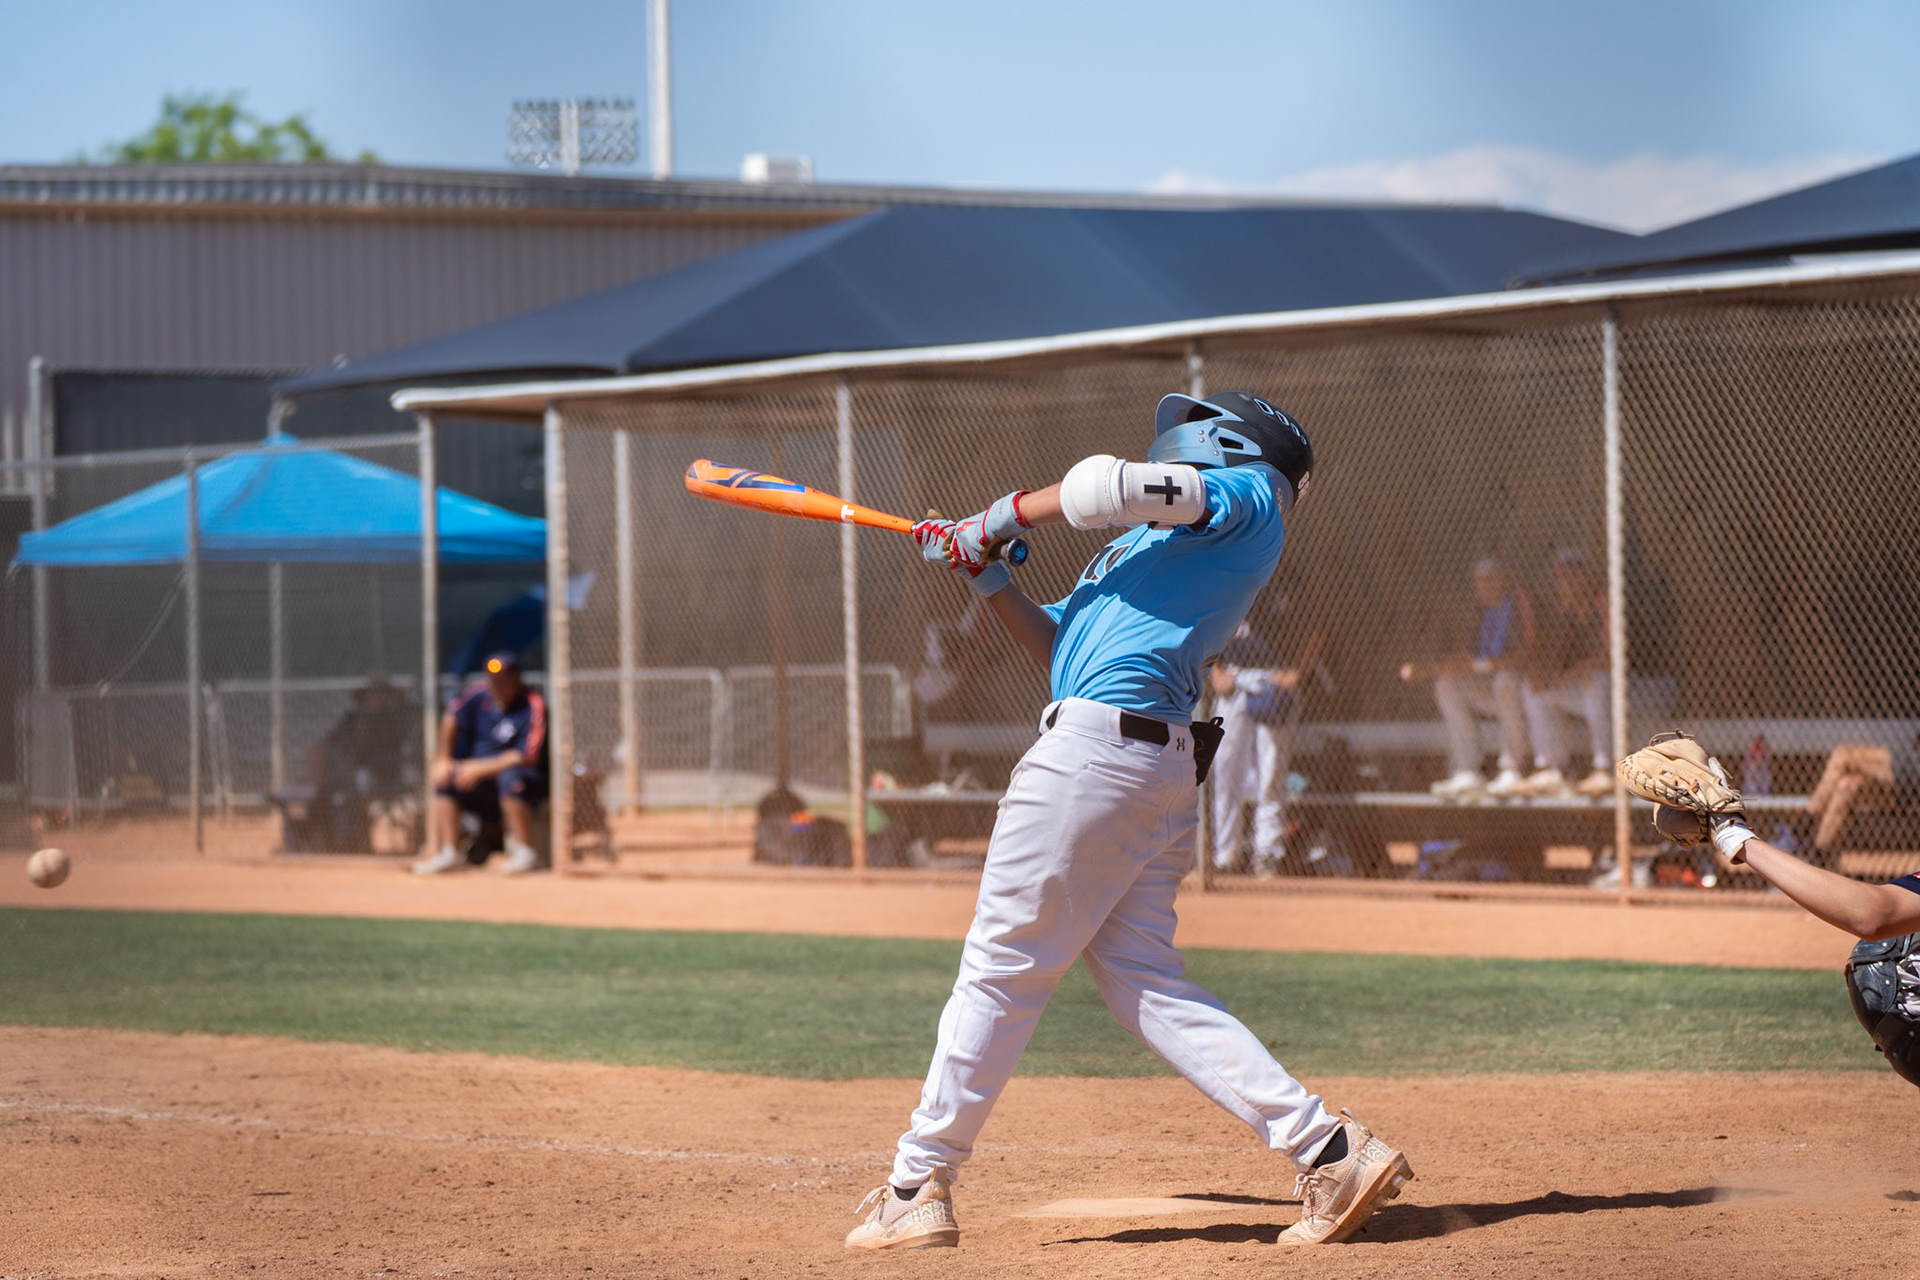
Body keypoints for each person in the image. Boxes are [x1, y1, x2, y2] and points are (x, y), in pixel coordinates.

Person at [844, 391, 1412, 1252]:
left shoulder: (1252, 497)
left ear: (1231, 440)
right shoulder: (1157, 547)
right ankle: (1331, 1150)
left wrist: (997, 517)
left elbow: (1103, 485)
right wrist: (984, 570)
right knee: (1143, 981)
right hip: (1131, 759)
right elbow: (1061, 650)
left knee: (1000, 968)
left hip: (1101, 760)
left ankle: (916, 1183)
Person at [1209, 585, 1325, 875]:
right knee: (1225, 770)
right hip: (1234, 679)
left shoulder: (1285, 581)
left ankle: (1267, 852)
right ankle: (1225, 856)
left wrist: (1297, 672)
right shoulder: (1226, 578)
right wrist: (1215, 672)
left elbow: (1317, 630)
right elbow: (1201, 628)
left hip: (1273, 681)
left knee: (1271, 772)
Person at [1401, 558, 1536, 800]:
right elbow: (1476, 657)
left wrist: (1477, 666)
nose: (1483, 586)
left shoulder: (1518, 602)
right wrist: (1456, 666)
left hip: (1522, 692)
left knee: (1505, 681)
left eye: (1489, 579)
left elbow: (1531, 653)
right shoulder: (1483, 612)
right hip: (1491, 688)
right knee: (1447, 685)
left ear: (1504, 580)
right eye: (1479, 581)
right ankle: (1468, 768)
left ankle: (1513, 769)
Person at [413, 652, 549, 876]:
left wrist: (479, 769)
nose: (498, 686)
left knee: (510, 778)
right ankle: (449, 852)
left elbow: (528, 755)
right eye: (494, 680)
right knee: (446, 779)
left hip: (523, 779)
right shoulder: (478, 695)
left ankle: (525, 852)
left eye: (504, 680)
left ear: (516, 679)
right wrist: (444, 758)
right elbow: (451, 716)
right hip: (479, 780)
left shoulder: (531, 703)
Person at [1516, 549, 1614, 798]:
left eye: (1573, 577)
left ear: (1589, 578)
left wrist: (1574, 672)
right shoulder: (1566, 614)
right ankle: (1555, 769)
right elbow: (1557, 659)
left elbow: (1613, 657)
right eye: (1562, 579)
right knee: (1534, 688)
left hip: (1639, 690)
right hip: (1592, 696)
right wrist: (1544, 674)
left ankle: (1605, 769)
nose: (1566, 585)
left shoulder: (1606, 603)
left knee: (1594, 678)